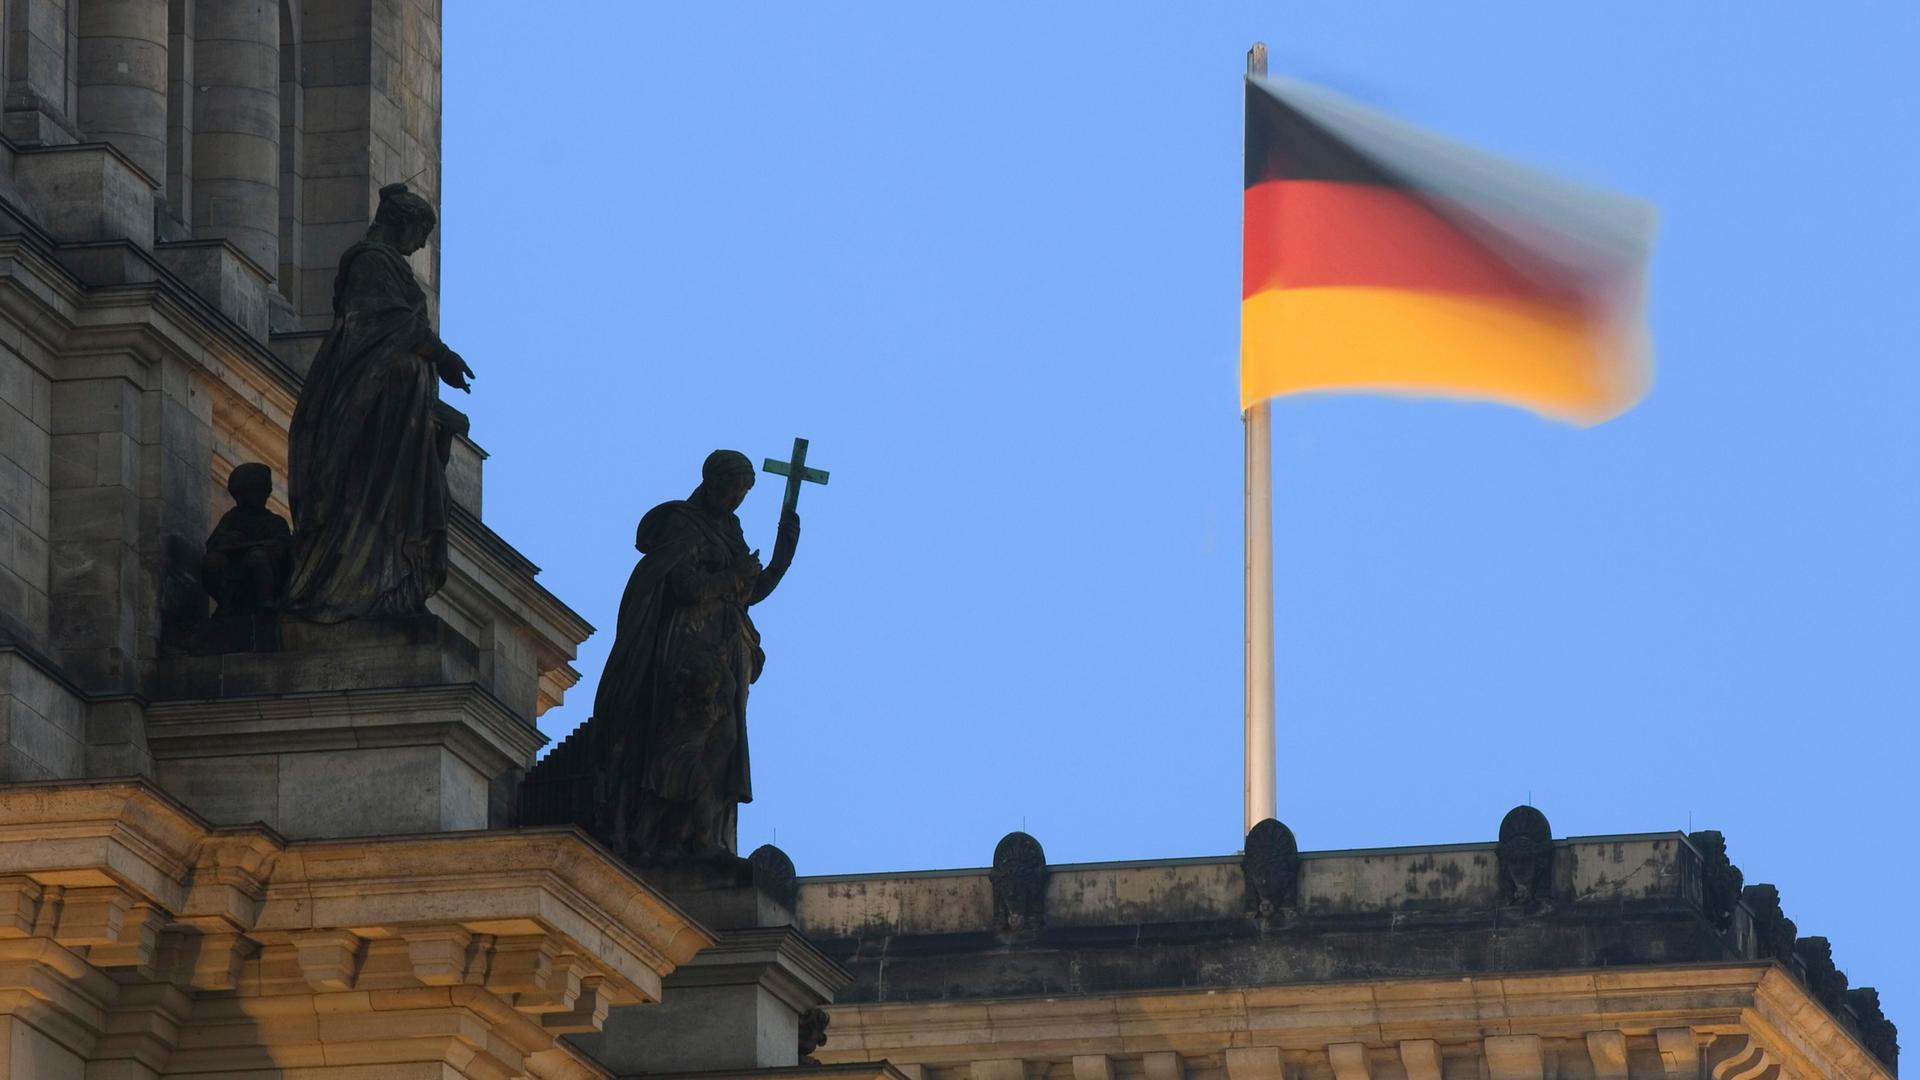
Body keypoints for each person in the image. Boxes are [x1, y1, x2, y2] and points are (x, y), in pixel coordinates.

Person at [593, 450, 801, 861]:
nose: (737, 499)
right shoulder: (681, 523)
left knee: (723, 741)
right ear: (712, 481)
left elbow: (748, 595)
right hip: (687, 645)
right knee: (688, 739)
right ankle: (669, 835)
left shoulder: (731, 529)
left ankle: (702, 834)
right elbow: (687, 587)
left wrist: (782, 557)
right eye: (733, 489)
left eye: (743, 493)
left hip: (726, 649)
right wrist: (734, 576)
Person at [284, 182, 474, 622]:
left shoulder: (386, 265)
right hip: (371, 402)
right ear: (402, 223)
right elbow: (383, 323)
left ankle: (390, 584)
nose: (423, 244)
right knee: (367, 492)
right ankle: (355, 587)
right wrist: (441, 356)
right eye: (421, 232)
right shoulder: (371, 263)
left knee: (399, 493)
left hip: (398, 401)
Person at [200, 462, 290, 616]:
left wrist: (264, 547)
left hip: (265, 569)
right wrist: (228, 539)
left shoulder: (275, 522)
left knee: (257, 558)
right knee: (212, 561)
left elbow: (285, 549)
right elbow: (212, 543)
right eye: (243, 494)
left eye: (254, 492)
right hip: (234, 565)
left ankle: (266, 602)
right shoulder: (231, 518)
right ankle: (227, 603)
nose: (248, 498)